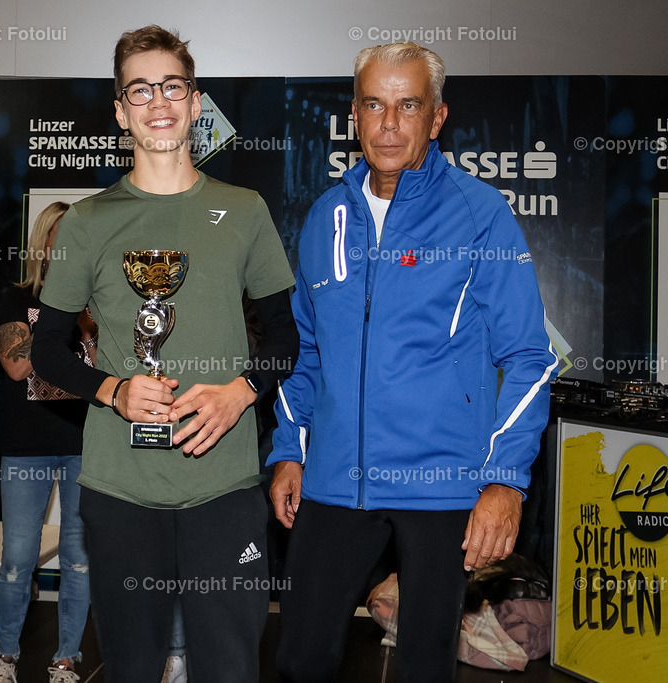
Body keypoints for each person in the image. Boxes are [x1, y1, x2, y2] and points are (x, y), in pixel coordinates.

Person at [268, 42, 558, 682]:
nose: (389, 124)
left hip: (443, 482)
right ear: (354, 115)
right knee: (299, 659)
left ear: (437, 117)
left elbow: (529, 358)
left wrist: (504, 481)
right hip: (337, 477)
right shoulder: (325, 217)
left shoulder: (481, 215)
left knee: (426, 668)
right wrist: (290, 446)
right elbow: (308, 352)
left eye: (407, 106)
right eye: (374, 105)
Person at [31, 25, 298, 683]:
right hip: (121, 489)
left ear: (196, 102)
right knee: (132, 669)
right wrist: (114, 390)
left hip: (226, 488)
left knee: (230, 668)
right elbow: (46, 349)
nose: (158, 101)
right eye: (140, 89)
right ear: (121, 111)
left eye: (172, 86)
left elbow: (288, 338)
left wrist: (240, 391)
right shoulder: (89, 222)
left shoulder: (243, 210)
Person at [0, 202, 94, 683]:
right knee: (16, 559)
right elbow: (15, 365)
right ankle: (5, 655)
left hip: (85, 443)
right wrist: (62, 313)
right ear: (43, 244)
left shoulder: (101, 299)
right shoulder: (14, 299)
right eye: (59, 235)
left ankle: (67, 658)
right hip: (27, 444)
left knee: (78, 558)